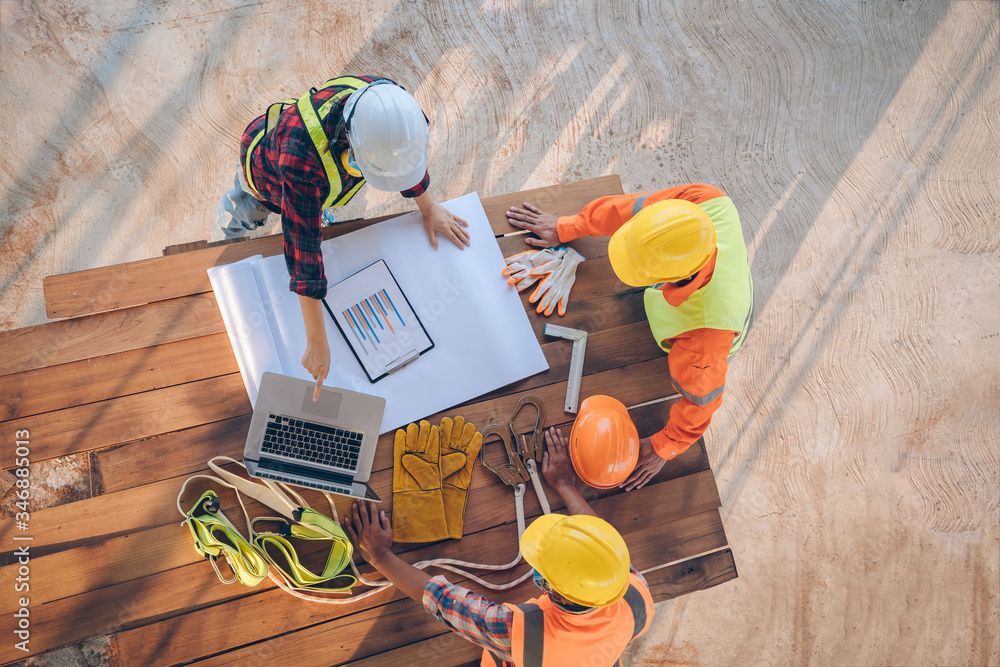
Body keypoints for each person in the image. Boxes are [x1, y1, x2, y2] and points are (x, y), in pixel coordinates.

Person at [216, 75, 470, 398]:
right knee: (243, 216)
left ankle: (313, 206)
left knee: (311, 206)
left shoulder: (387, 106)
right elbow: (303, 250)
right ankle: (228, 229)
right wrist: (317, 343)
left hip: (311, 180)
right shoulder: (301, 162)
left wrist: (428, 207)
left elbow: (401, 159)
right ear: (350, 150)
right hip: (264, 177)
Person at [504, 184, 752, 490]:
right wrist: (568, 226)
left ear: (671, 279)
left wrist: (665, 446)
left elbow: (702, 405)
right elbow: (629, 209)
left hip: (708, 323)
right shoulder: (704, 201)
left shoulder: (702, 345)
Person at [345, 427, 654, 666]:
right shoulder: (633, 594)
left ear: (552, 589)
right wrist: (564, 484)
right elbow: (597, 546)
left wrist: (379, 555)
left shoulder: (522, 635)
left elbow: (446, 603)